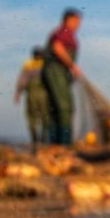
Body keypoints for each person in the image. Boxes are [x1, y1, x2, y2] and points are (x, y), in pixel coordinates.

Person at [42, 8, 82, 146]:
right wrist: (72, 66)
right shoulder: (64, 32)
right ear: (70, 19)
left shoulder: (64, 32)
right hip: (55, 72)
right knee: (64, 107)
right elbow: (57, 47)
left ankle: (54, 143)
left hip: (58, 72)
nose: (79, 25)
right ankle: (64, 145)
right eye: (78, 21)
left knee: (56, 109)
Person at [13, 46, 49, 152]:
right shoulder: (46, 64)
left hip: (33, 95)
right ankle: (42, 142)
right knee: (45, 119)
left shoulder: (28, 64)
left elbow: (22, 80)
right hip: (44, 95)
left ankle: (35, 142)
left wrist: (18, 93)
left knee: (32, 118)